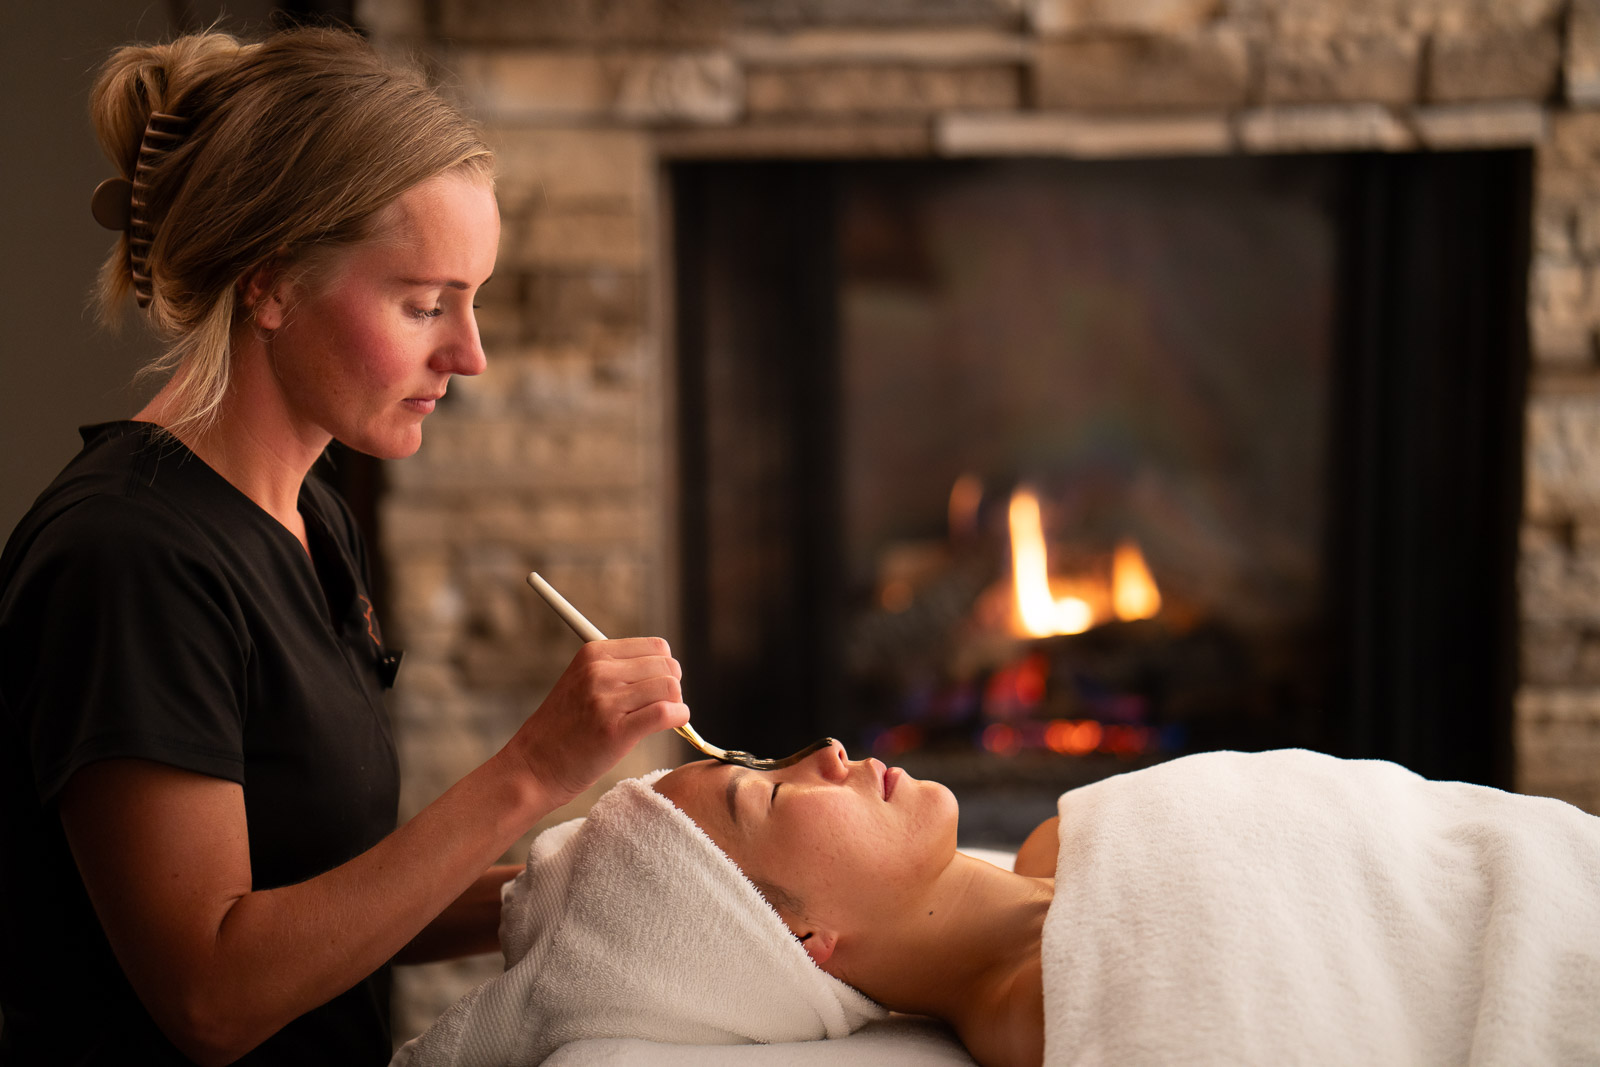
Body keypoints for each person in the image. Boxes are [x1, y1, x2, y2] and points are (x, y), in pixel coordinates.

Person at [0, 26, 689, 1067]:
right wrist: (530, 771)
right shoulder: (128, 559)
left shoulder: (312, 515)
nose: (470, 354)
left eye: (472, 300)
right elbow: (215, 994)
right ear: (269, 285)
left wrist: (604, 875)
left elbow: (333, 905)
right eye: (423, 304)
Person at [395, 741, 1600, 1067]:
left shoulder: (1073, 833)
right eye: (768, 796)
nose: (821, 745)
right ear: (798, 941)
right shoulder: (1081, 1014)